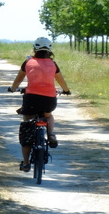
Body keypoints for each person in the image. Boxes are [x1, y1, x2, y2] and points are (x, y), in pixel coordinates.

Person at [7, 37, 71, 172]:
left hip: (31, 100)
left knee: (27, 124)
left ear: (34, 49)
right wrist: (66, 90)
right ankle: (51, 134)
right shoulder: (53, 64)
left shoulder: (28, 62)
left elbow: (18, 79)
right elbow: (61, 81)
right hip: (49, 100)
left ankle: (26, 163)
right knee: (48, 115)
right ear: (50, 50)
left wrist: (13, 89)